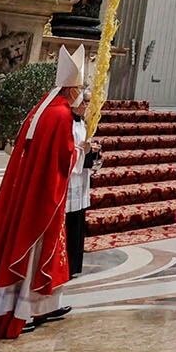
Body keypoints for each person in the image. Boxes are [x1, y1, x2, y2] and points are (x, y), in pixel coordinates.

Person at [0, 46, 86, 339]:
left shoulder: (42, 109)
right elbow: (63, 158)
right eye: (80, 88)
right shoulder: (60, 115)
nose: (81, 93)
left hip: (30, 190)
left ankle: (40, 306)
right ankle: (24, 311)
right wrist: (82, 152)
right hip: (43, 196)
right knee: (36, 251)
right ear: (71, 89)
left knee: (35, 249)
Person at [66, 88, 102, 280]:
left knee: (78, 222)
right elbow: (67, 150)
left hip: (81, 179)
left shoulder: (84, 124)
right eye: (84, 102)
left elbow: (82, 147)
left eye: (88, 102)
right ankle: (64, 266)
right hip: (69, 180)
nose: (86, 106)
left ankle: (74, 266)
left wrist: (93, 151)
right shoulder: (66, 123)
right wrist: (83, 151)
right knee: (68, 223)